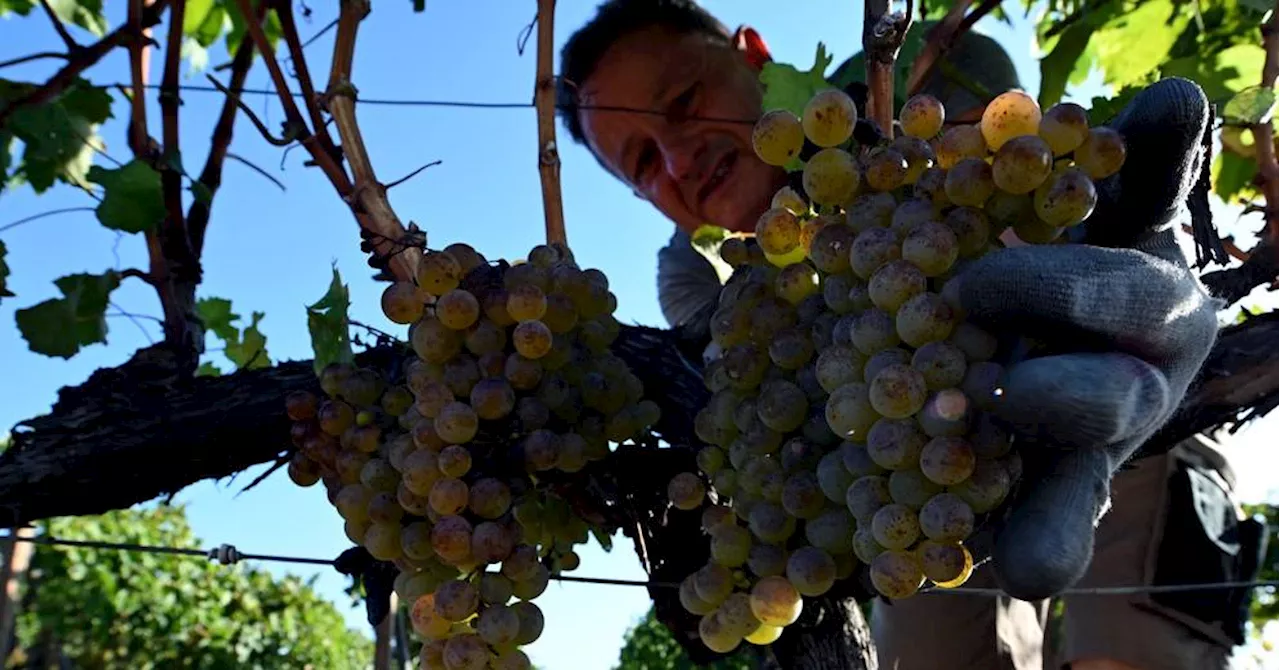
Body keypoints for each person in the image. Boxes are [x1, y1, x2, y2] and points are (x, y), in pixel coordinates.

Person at [557, 2, 1259, 670]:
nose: (677, 159)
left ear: (754, 54)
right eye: (643, 163)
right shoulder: (694, 273)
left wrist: (1136, 280)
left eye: (683, 100)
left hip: (1100, 391)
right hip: (923, 477)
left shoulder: (917, 80)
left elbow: (1007, 206)